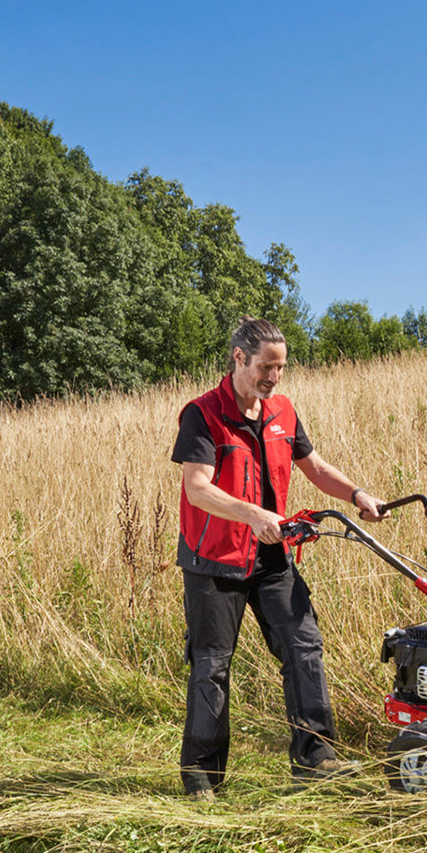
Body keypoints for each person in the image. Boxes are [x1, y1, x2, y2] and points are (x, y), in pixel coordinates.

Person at [171, 316, 386, 800]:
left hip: (271, 557)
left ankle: (317, 759)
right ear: (239, 358)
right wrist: (250, 513)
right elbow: (197, 488)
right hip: (214, 560)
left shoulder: (283, 412)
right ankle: (202, 777)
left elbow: (314, 467)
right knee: (212, 664)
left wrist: (357, 495)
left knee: (303, 645)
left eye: (281, 368)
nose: (273, 377)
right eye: (266, 367)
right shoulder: (203, 415)